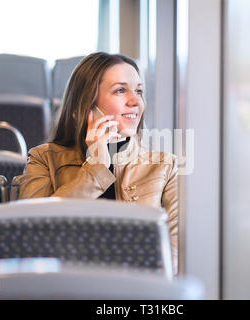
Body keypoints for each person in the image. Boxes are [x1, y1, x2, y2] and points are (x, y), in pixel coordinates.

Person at [17, 52, 178, 274]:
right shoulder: (43, 159)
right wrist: (96, 167)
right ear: (83, 108)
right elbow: (29, 236)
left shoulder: (165, 166)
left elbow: (174, 261)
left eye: (139, 91)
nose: (135, 101)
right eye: (121, 90)